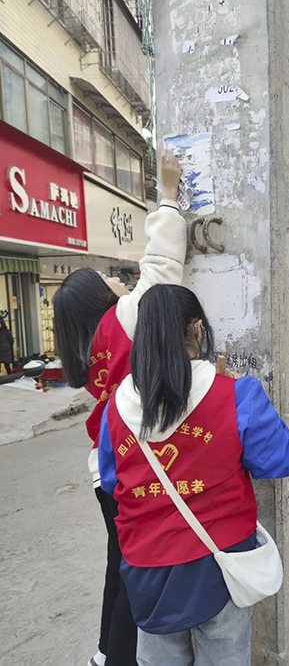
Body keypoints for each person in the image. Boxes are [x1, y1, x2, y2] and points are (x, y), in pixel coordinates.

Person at [98, 284, 289, 666]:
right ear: (197, 330)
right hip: (219, 565)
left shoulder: (116, 408)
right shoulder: (238, 395)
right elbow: (281, 461)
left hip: (147, 568)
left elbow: (111, 483)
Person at [53, 151, 186, 666]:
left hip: (104, 472)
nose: (114, 279)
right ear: (98, 298)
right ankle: (123, 657)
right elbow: (161, 269)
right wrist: (168, 196)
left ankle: (107, 653)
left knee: (121, 562)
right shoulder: (127, 318)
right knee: (135, 570)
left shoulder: (89, 354)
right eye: (102, 277)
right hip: (132, 468)